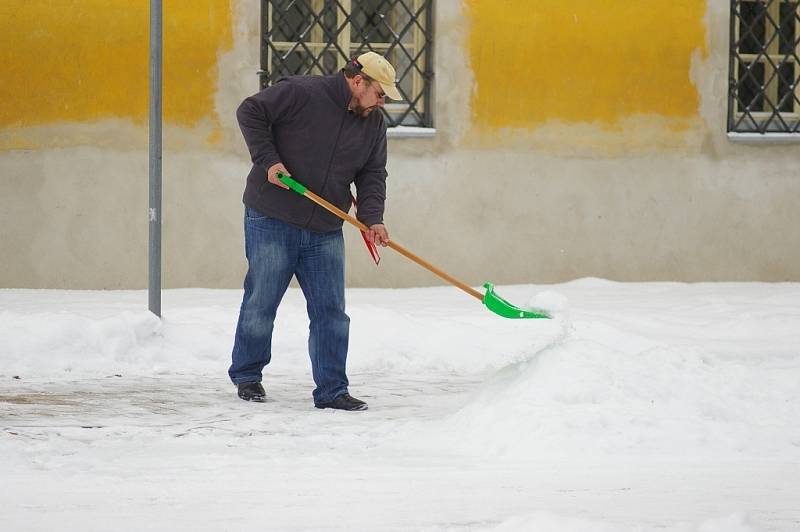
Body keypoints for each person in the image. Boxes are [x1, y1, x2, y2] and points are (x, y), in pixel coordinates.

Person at [229, 51, 402, 411]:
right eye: (380, 94)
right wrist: (268, 160)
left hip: (325, 226)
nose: (382, 102)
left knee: (331, 311)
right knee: (262, 301)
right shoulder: (303, 93)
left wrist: (373, 218)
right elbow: (250, 111)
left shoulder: (373, 124)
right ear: (358, 82)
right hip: (273, 216)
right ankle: (248, 375)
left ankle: (332, 390)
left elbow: (372, 174)